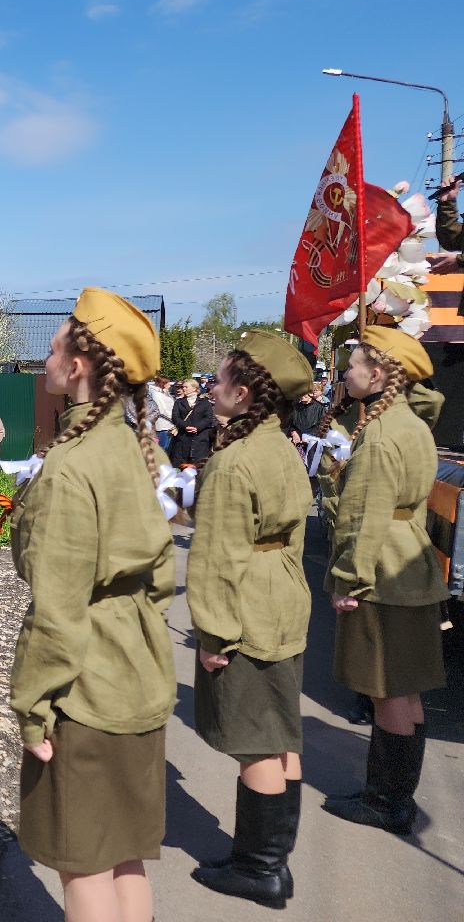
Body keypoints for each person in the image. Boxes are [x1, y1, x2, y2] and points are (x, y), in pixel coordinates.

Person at [8, 287, 174, 922]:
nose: (44, 359)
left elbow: (57, 609)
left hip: (87, 689)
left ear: (77, 367)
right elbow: (160, 575)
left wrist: (34, 706)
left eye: (52, 348)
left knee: (83, 868)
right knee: (125, 856)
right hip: (139, 671)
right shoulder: (132, 451)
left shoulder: (71, 467)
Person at [186, 331, 314, 909]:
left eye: (220, 379)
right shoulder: (282, 447)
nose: (212, 386)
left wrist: (214, 634)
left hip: (248, 608)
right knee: (282, 734)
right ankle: (273, 865)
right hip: (283, 599)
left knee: (257, 743)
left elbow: (215, 557)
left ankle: (259, 869)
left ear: (243, 394)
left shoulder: (234, 462)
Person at [322, 326, 448, 835]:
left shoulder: (380, 435)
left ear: (377, 375)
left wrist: (346, 579)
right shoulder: (412, 423)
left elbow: (362, 517)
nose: (346, 372)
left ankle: (386, 802)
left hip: (382, 574)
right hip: (410, 566)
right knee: (407, 691)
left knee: (387, 692)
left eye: (352, 364)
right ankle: (396, 797)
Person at [170, 377, 214, 466]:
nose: (183, 389)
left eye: (186, 387)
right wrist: (185, 426)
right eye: (183, 387)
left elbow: (208, 418)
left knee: (197, 466)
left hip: (199, 439)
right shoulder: (179, 402)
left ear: (194, 388)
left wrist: (197, 427)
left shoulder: (205, 402)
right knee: (180, 466)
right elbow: (175, 418)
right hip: (182, 438)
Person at [147, 376, 175, 452]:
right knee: (162, 449)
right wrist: (174, 418)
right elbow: (162, 409)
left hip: (170, 424)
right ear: (163, 383)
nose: (170, 385)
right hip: (163, 424)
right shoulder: (156, 394)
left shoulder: (166, 393)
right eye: (168, 383)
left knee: (168, 448)